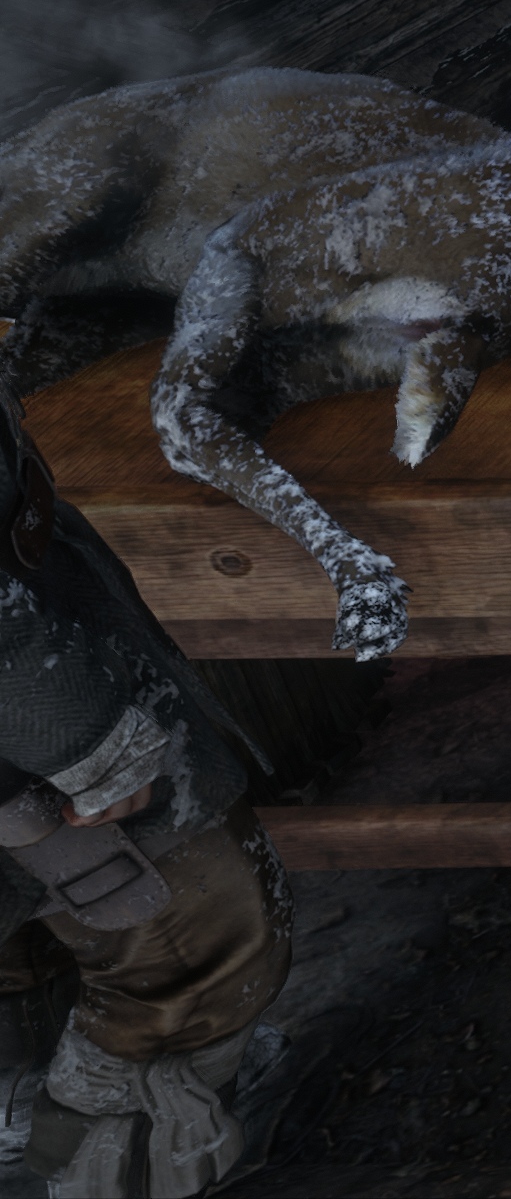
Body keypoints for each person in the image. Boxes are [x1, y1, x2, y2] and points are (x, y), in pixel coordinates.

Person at [0, 371, 293, 1199]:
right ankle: (128, 1168)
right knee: (195, 951)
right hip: (29, 711)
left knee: (19, 948)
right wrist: (85, 739)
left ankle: (21, 1128)